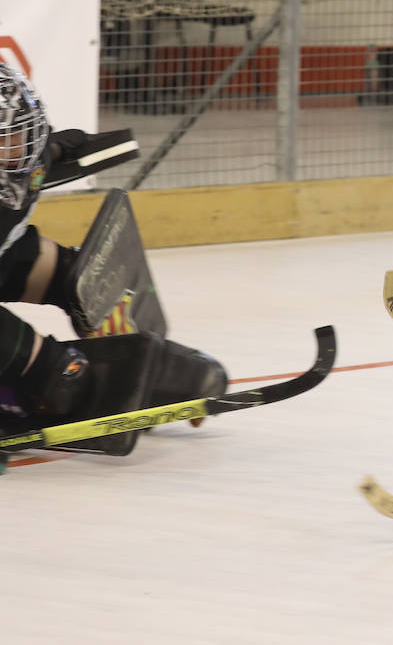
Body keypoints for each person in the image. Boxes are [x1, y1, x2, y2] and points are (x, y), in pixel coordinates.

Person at [0, 64, 225, 457]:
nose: (18, 150)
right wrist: (50, 370)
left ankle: (119, 360)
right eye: (11, 141)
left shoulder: (19, 167)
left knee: (81, 279)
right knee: (58, 378)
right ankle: (52, 385)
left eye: (19, 138)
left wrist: (48, 150)